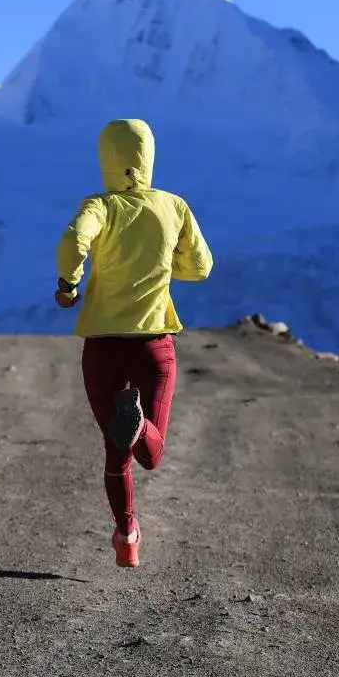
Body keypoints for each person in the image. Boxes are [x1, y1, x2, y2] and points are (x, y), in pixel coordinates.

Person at [53, 118, 213, 568]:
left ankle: (126, 533)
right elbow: (200, 267)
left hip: (103, 348)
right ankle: (139, 424)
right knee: (151, 454)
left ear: (107, 157)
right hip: (153, 345)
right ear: (148, 156)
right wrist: (161, 266)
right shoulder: (174, 206)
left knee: (114, 451)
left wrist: (69, 284)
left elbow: (73, 239)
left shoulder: (100, 206)